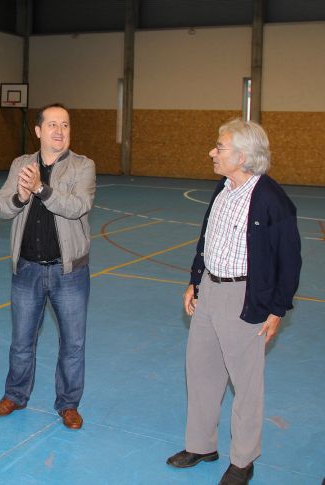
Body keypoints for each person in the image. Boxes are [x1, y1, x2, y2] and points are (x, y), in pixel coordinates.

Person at [166, 119, 302, 485]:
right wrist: (195, 280)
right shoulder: (223, 188)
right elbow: (207, 238)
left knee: (246, 383)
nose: (212, 152)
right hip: (209, 290)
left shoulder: (272, 200)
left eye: (219, 147)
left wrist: (277, 309)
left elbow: (290, 260)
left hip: (245, 297)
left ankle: (243, 459)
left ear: (242, 156)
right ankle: (201, 445)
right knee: (201, 371)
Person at [0, 103, 96, 430]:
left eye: (64, 125)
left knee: (73, 344)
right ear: (38, 131)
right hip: (27, 271)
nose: (59, 131)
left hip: (69, 274)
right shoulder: (21, 164)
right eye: (52, 125)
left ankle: (68, 404)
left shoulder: (82, 166)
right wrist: (20, 196)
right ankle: (15, 395)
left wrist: (40, 189)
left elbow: (78, 205)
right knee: (22, 340)